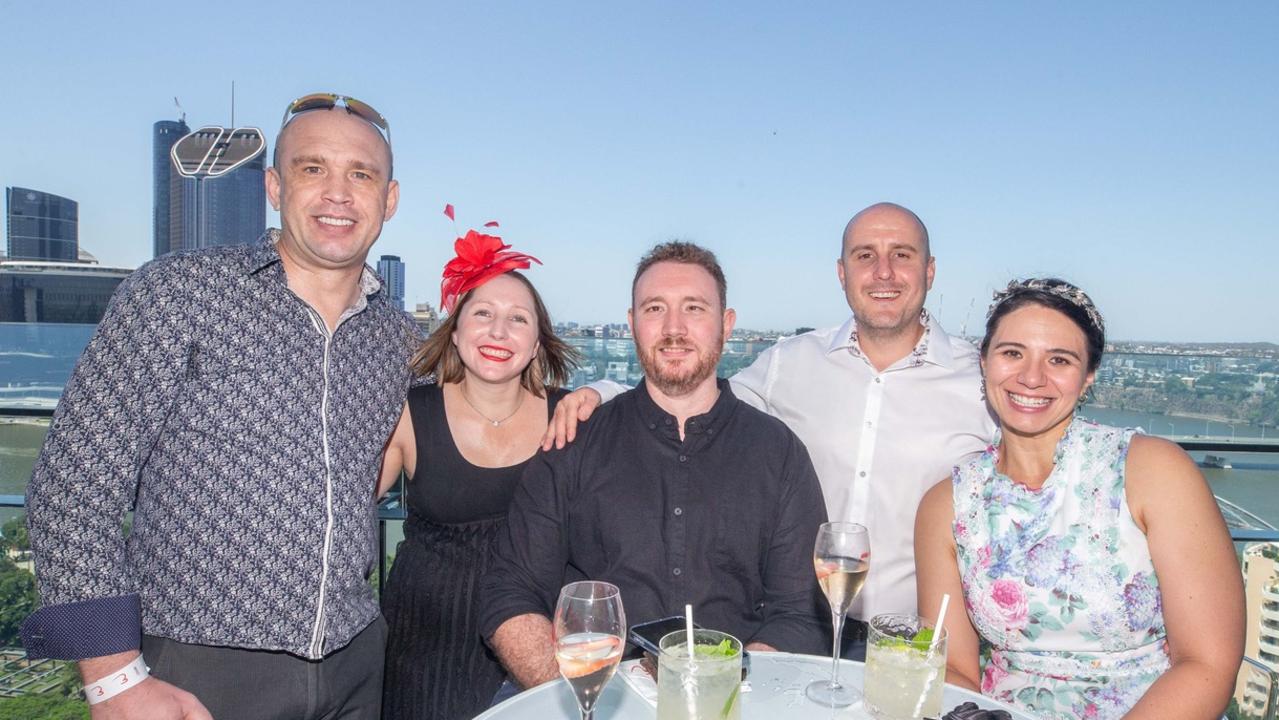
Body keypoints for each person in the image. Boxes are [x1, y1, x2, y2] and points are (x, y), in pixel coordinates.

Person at [21, 93, 412, 720]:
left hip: (356, 666)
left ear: (388, 200)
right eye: (313, 168)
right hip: (196, 672)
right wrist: (112, 678)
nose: (338, 192)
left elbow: (482, 405)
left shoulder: (396, 337)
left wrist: (586, 401)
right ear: (275, 187)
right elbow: (75, 482)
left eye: (360, 174)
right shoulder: (180, 292)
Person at [545, 203, 994, 644]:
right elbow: (694, 395)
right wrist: (602, 394)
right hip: (809, 632)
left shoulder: (982, 379)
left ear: (930, 270)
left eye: (902, 254)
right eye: (864, 256)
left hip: (920, 643)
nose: (883, 271)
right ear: (842, 273)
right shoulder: (791, 361)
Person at [479, 241, 829, 690]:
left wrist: (720, 692)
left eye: (694, 308)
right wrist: (579, 702)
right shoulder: (573, 441)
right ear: (632, 324)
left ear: (726, 324)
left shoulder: (779, 453)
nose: (674, 328)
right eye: (655, 308)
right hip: (595, 693)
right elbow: (511, 593)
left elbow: (800, 614)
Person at [915, 278, 1244, 719]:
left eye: (1059, 360)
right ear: (984, 361)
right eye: (1012, 353)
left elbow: (1208, 663)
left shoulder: (1153, 472)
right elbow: (953, 668)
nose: (1031, 377)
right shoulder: (945, 506)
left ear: (1087, 377)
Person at [377, 229, 579, 719]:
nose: (498, 331)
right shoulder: (409, 413)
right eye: (483, 313)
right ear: (457, 328)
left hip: (534, 645)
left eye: (517, 319)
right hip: (424, 649)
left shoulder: (568, 416)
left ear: (535, 345)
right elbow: (334, 513)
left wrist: (597, 395)